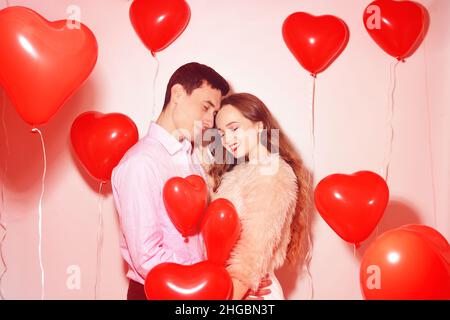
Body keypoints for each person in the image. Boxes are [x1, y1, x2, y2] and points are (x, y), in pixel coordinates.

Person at [111, 62, 229, 300]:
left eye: (214, 113)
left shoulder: (191, 157)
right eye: (205, 108)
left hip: (195, 290)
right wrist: (204, 278)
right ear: (177, 94)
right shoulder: (140, 163)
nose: (210, 121)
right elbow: (147, 257)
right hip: (157, 293)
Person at [206, 93, 311, 300]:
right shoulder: (238, 174)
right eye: (222, 133)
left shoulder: (272, 173)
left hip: (250, 293)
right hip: (233, 288)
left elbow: (251, 256)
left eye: (234, 128)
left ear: (259, 126)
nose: (227, 140)